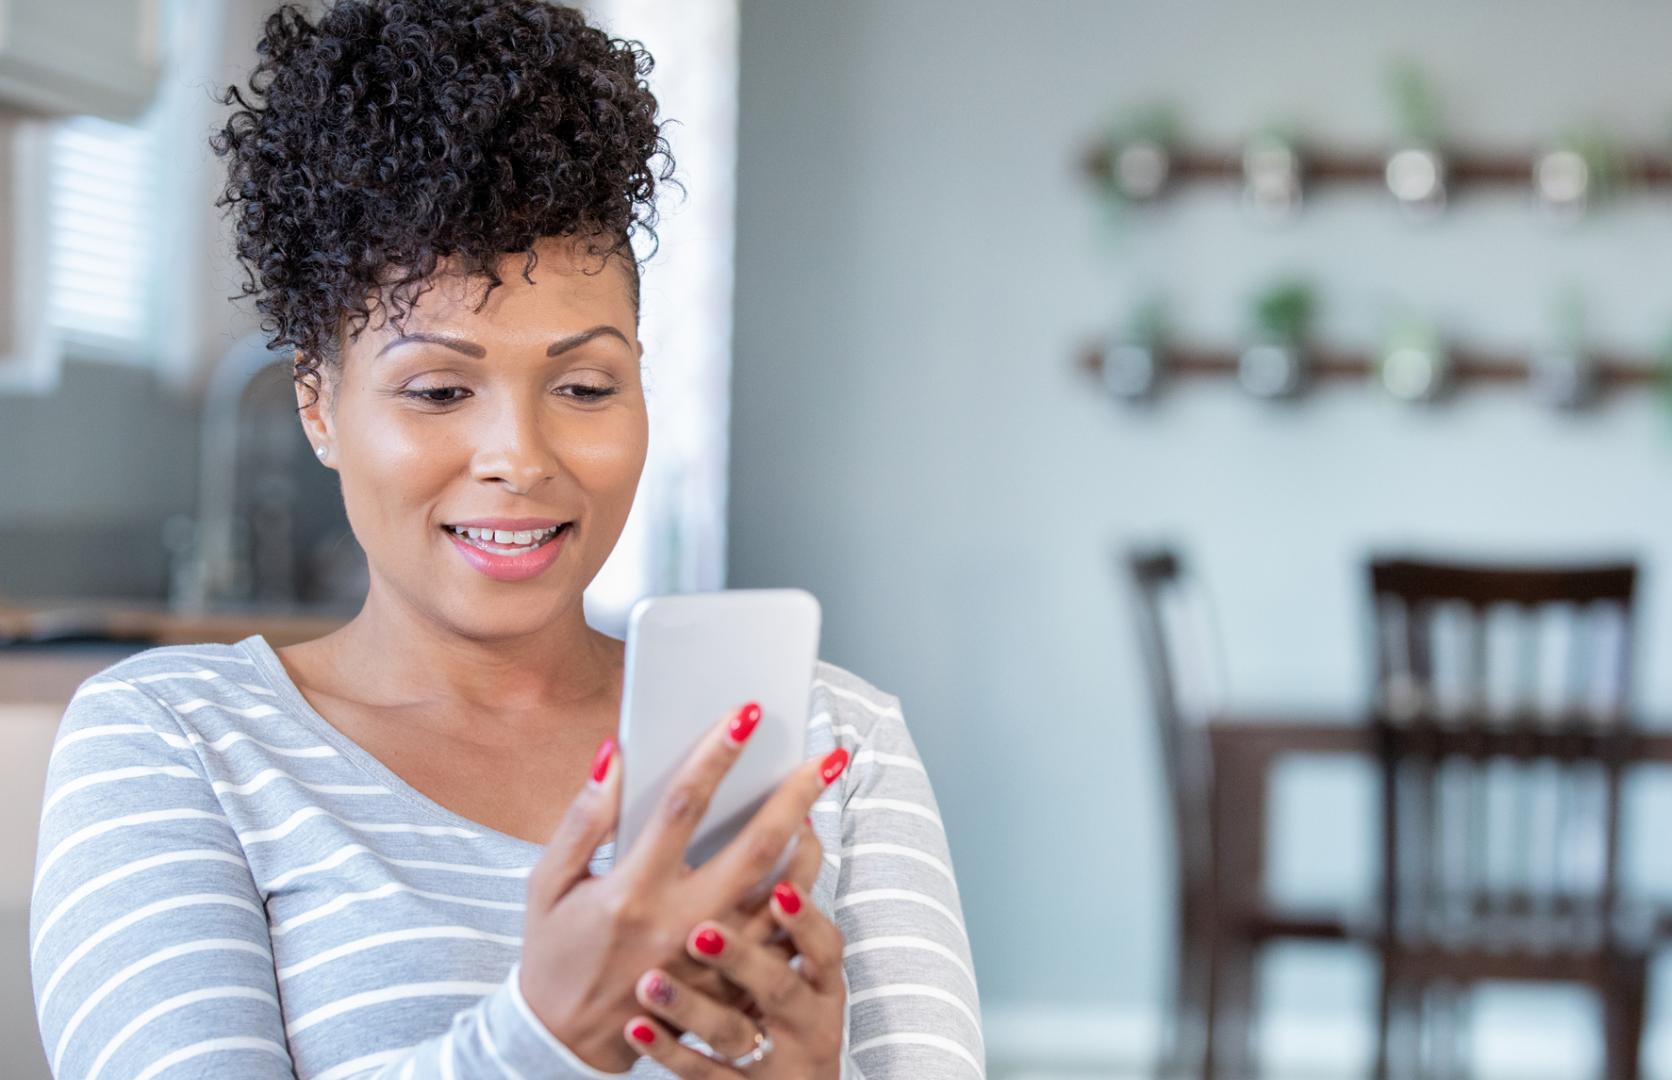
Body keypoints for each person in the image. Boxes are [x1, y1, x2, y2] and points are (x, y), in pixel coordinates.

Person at [28, 1, 980, 1076]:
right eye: (438, 389)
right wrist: (538, 1036)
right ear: (319, 404)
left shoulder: (828, 744)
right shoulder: (178, 743)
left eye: (583, 384)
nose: (520, 458)